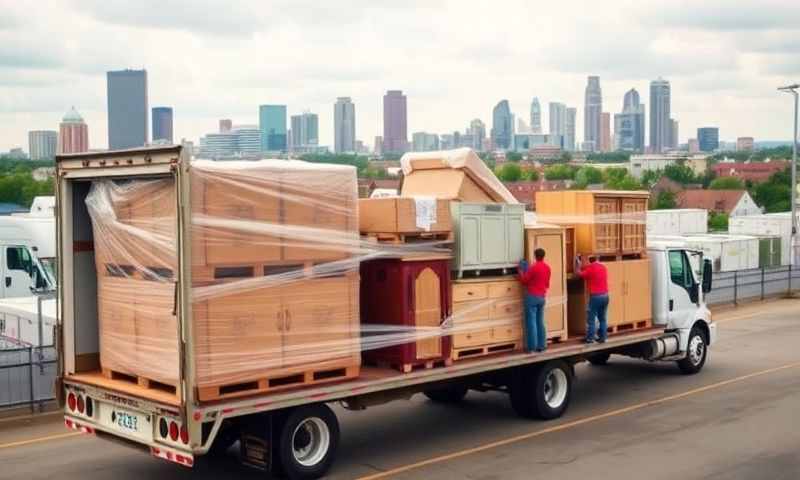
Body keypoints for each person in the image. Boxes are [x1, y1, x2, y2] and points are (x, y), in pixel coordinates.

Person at [518, 248, 551, 352]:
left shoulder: (533, 268)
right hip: (542, 297)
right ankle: (542, 345)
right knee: (540, 321)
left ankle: (532, 347)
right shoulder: (547, 268)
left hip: (532, 297)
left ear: (535, 256)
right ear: (543, 256)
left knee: (531, 322)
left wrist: (520, 271)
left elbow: (524, 281)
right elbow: (547, 284)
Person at [575, 254, 609, 344]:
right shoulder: (603, 267)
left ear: (590, 260)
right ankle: (603, 337)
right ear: (598, 259)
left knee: (591, 318)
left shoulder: (591, 269)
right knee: (602, 318)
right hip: (605, 296)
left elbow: (579, 274)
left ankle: (590, 338)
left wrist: (578, 264)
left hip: (596, 297)